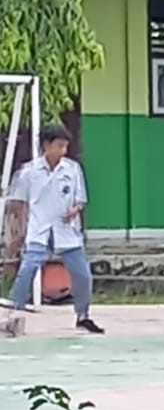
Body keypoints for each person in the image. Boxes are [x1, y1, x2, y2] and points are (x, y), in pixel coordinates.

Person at [4, 123, 104, 334]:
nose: (63, 151)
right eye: (59, 146)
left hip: (66, 229)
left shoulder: (72, 169)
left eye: (65, 146)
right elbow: (19, 205)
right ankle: (13, 312)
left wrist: (75, 210)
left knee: (83, 275)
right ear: (46, 146)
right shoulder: (29, 172)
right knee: (28, 268)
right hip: (39, 228)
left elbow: (81, 200)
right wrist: (16, 235)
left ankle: (83, 315)